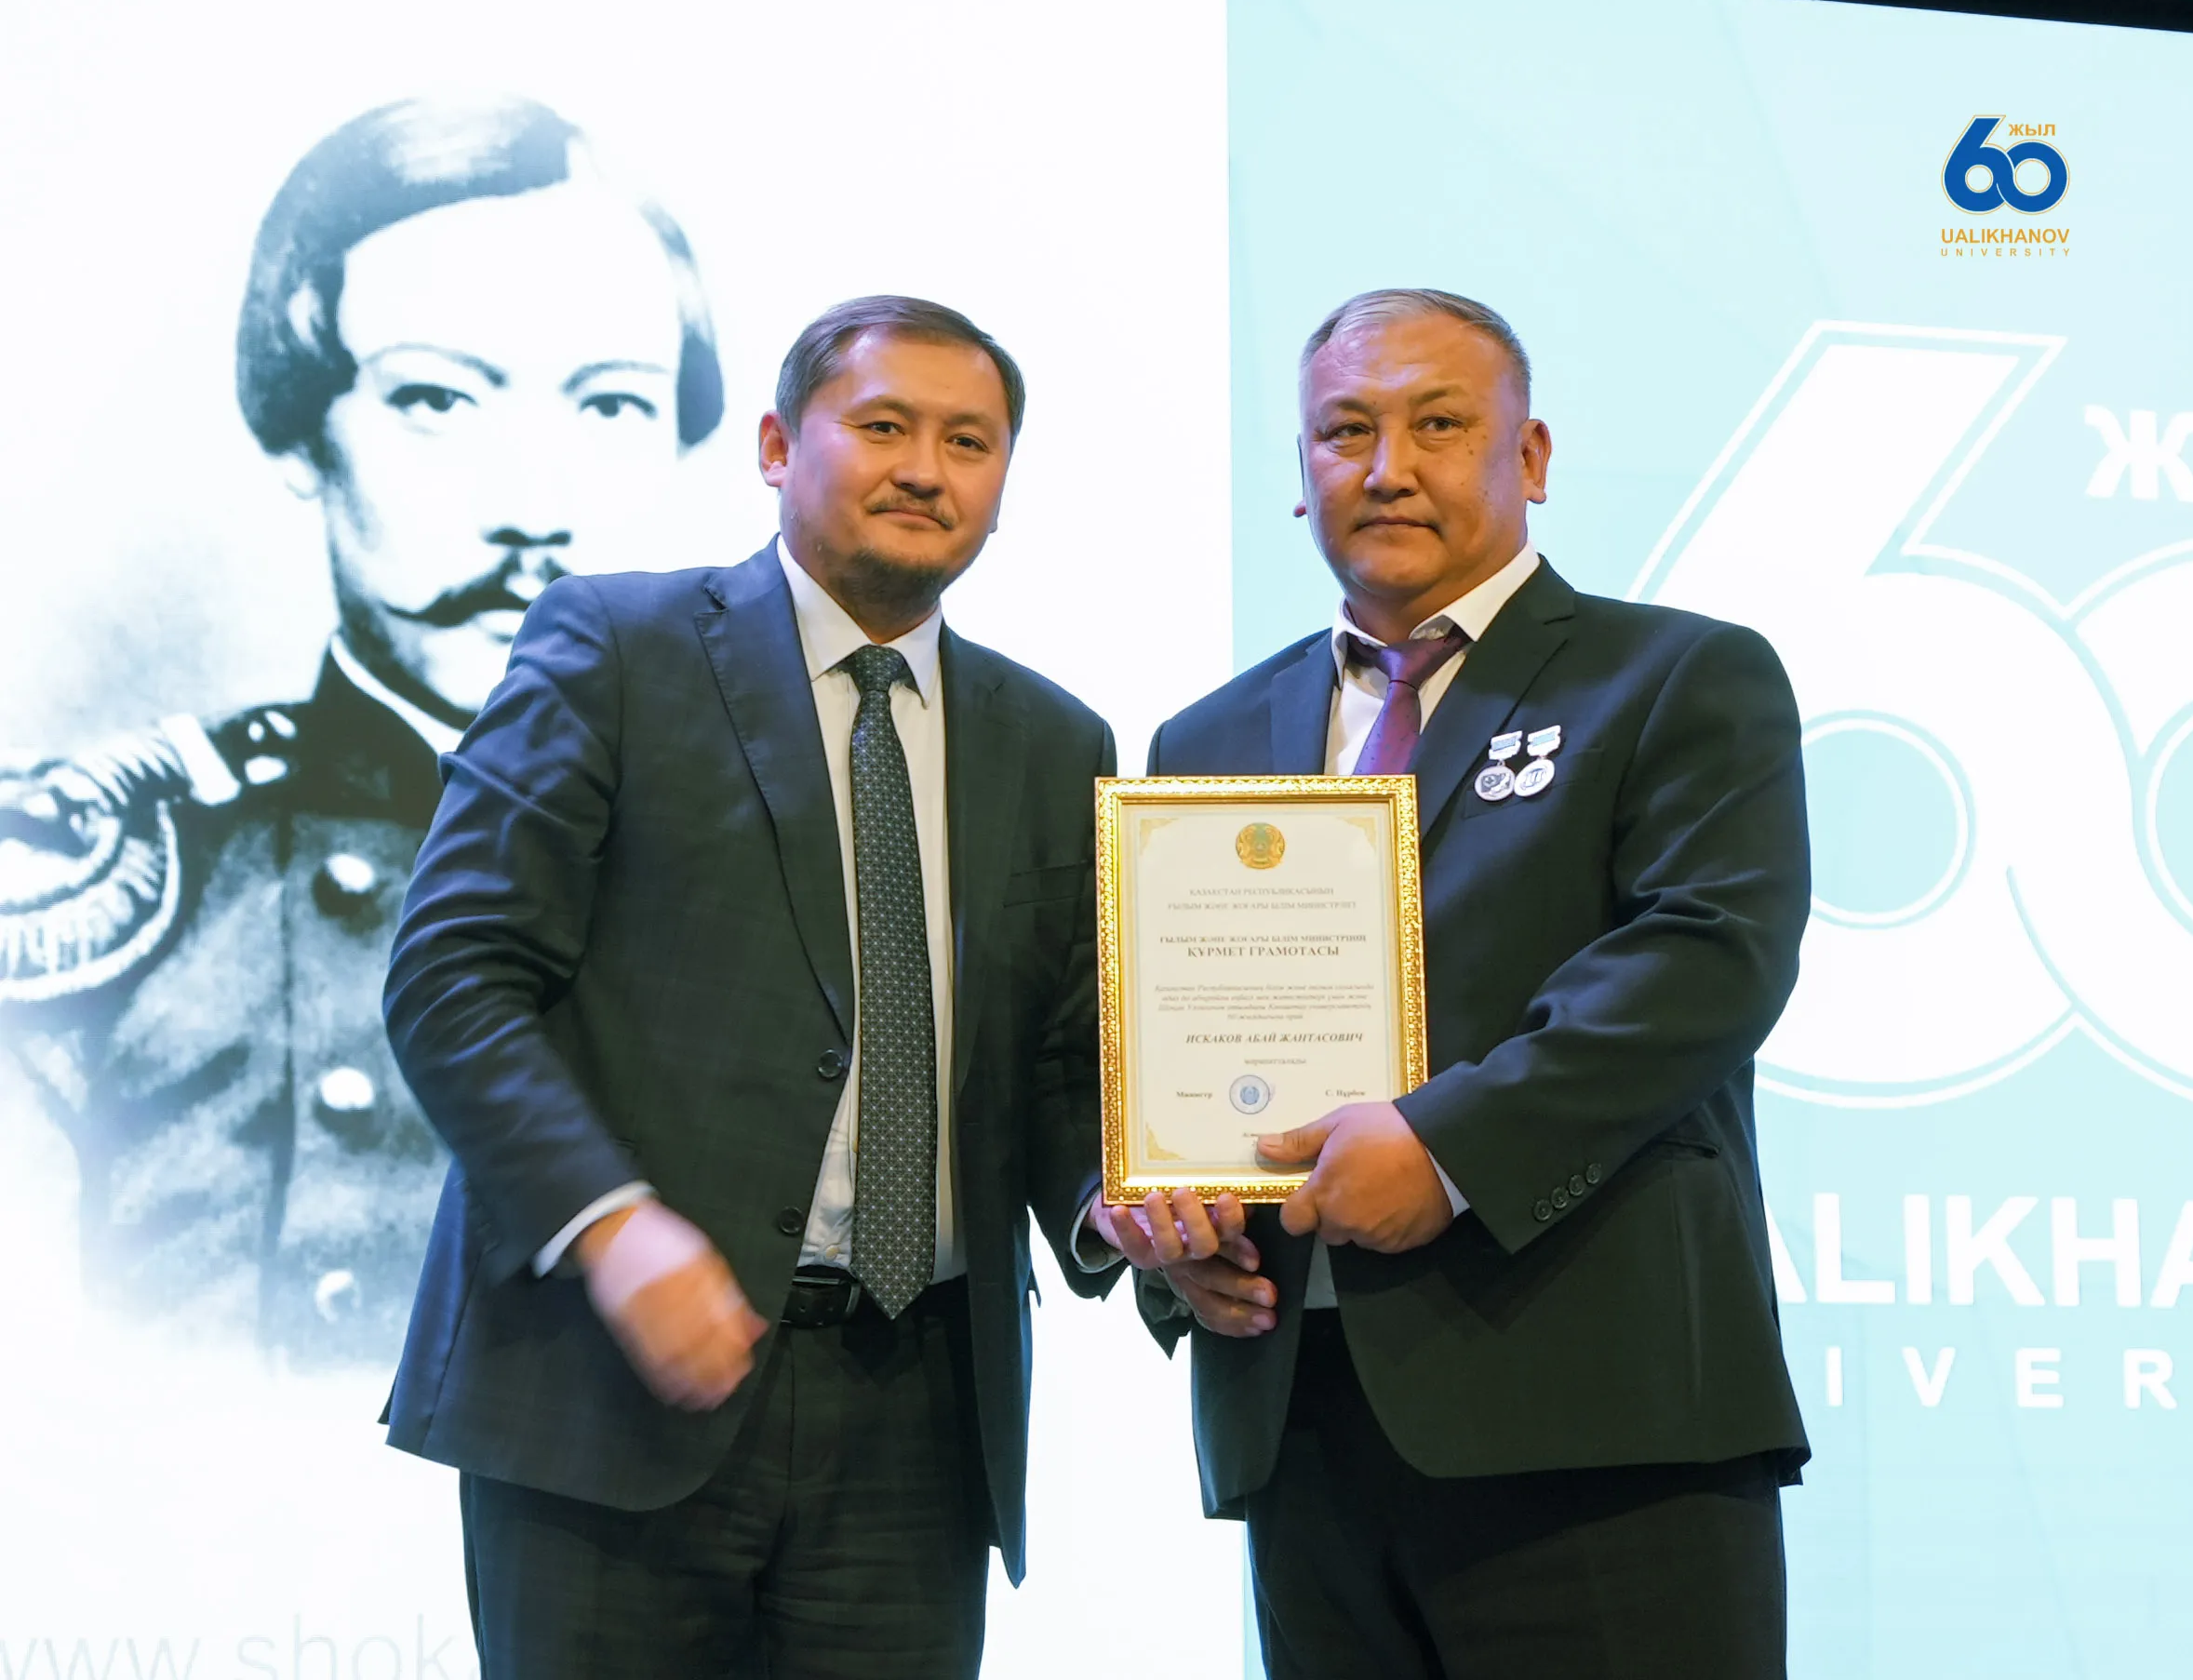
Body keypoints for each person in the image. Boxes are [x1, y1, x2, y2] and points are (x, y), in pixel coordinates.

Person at [381, 296, 1145, 1678]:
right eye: (885, 426)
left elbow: (1050, 1059)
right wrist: (613, 1229)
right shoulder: (617, 647)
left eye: (969, 441)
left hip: (919, 1418)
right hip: (613, 1381)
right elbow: (454, 974)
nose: (927, 469)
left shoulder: (1054, 739)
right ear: (778, 445)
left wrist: (1117, 1202)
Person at [1122, 288, 1812, 1678]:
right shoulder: (1209, 736)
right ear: (1301, 471)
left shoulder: (1675, 675)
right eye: (1346, 432)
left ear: (1531, 457)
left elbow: (1705, 958)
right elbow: (1165, 1027)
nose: (1388, 467)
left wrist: (1444, 1148)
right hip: (1301, 1419)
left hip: (1600, 1419)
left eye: (1439, 424)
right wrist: (1160, 1204)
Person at [0, 95, 721, 1361]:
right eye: (437, 400)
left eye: (609, 408)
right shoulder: (102, 871)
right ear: (299, 430)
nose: (532, 505)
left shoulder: (771, 842)